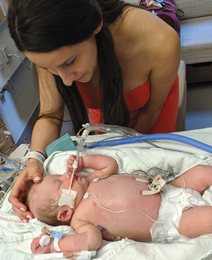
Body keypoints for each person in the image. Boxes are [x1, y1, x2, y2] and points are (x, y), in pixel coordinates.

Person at [7, 0, 180, 222]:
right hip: (108, 112)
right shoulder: (51, 52)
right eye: (51, 69)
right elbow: (50, 114)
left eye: (70, 62)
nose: (66, 82)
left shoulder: (158, 40)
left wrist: (124, 154)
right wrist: (34, 161)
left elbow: (152, 109)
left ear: (95, 27)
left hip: (152, 112)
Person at [28, 154, 212, 254]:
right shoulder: (80, 220)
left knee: (201, 172)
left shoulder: (92, 179)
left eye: (60, 175)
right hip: (172, 221)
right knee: (207, 218)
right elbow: (91, 241)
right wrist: (57, 244)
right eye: (60, 183)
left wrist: (85, 161)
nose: (65, 175)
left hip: (171, 189)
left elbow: (110, 164)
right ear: (64, 213)